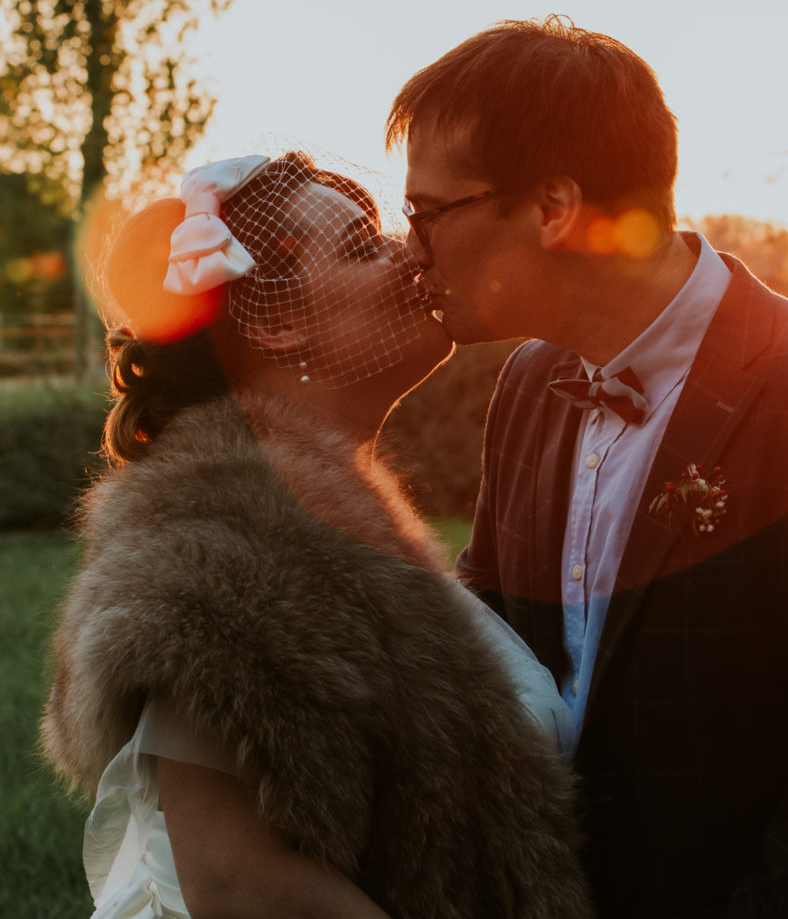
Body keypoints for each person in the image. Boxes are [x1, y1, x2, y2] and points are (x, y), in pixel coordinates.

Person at [388, 19, 788, 919]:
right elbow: (493, 640)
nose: (409, 245)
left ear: (552, 208)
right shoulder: (529, 385)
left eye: (428, 211)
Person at [39, 151, 593, 919]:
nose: (413, 256)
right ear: (273, 318)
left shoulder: (328, 519)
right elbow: (237, 882)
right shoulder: (219, 550)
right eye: (365, 248)